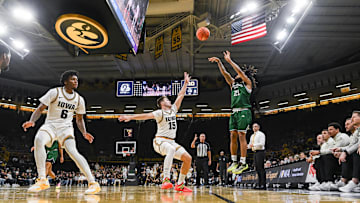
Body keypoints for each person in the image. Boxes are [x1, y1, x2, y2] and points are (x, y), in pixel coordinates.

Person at [22, 70, 101, 194]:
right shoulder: (55, 92)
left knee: (73, 152)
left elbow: (79, 119)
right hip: (50, 125)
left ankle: (93, 182)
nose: (76, 81)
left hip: (66, 128)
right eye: (72, 79)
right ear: (65, 82)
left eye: (76, 79)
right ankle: (42, 179)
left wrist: (84, 133)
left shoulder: (79, 99)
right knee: (38, 140)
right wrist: (32, 121)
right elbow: (40, 108)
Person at [118, 72, 193, 192]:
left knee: (188, 158)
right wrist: (130, 117)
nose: (170, 101)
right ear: (162, 103)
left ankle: (180, 184)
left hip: (172, 142)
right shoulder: (159, 112)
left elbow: (181, 95)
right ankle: (166, 179)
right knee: (171, 149)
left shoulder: (173, 110)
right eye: (167, 100)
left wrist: (185, 84)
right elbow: (145, 116)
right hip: (160, 141)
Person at [209, 51, 257, 174]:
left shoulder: (247, 84)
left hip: (244, 112)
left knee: (241, 135)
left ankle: (243, 162)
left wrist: (229, 61)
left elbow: (240, 72)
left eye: (238, 74)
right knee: (232, 136)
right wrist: (219, 62)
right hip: (234, 112)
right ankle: (234, 161)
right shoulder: (233, 84)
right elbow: (225, 73)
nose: (236, 75)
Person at [332, 111, 360, 192]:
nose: (352, 119)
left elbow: (357, 144)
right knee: (349, 152)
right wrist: (341, 150)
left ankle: (354, 181)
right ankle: (345, 180)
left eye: (354, 117)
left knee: (354, 152)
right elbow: (351, 145)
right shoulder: (356, 132)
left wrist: (346, 152)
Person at [248, 123, 266, 189]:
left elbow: (262, 144)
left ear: (258, 127)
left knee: (261, 168)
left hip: (260, 152)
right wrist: (245, 147)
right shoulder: (252, 136)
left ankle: (263, 184)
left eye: (256, 126)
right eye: (253, 127)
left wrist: (254, 145)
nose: (254, 128)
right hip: (255, 152)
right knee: (257, 168)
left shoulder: (261, 134)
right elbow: (250, 145)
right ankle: (259, 183)